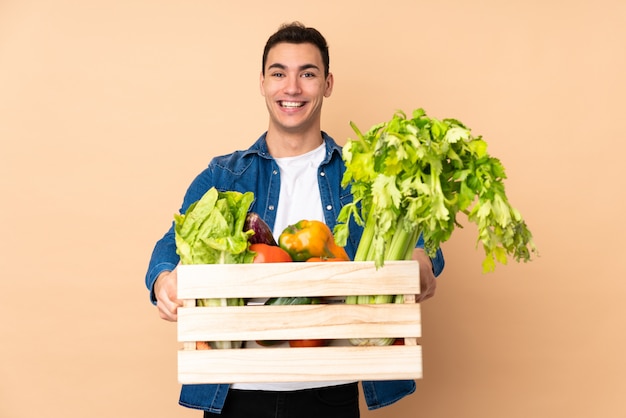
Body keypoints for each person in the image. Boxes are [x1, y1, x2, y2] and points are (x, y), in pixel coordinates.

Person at [145, 21, 445, 418]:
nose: (292, 88)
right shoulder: (224, 175)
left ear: (327, 84)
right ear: (263, 83)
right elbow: (171, 242)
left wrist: (424, 258)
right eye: (279, 73)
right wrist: (165, 279)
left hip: (331, 387)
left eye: (307, 73)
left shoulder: (364, 173)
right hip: (237, 389)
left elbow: (421, 240)